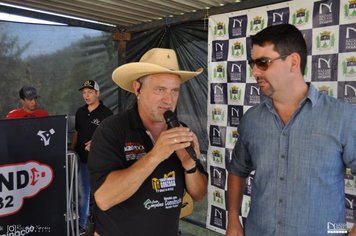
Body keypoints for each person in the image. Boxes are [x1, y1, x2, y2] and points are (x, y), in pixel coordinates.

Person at [226, 24, 356, 236]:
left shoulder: (342, 117)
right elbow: (237, 170)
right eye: (252, 63)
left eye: (263, 63)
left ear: (293, 62)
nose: (254, 71)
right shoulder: (252, 120)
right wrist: (233, 220)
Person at [87, 48, 208, 236]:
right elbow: (104, 198)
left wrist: (189, 165)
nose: (169, 100)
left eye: (174, 91)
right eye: (160, 90)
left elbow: (200, 194)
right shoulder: (111, 130)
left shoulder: (180, 130)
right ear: (138, 88)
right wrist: (155, 155)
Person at [70, 80, 113, 234]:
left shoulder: (106, 113)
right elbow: (77, 132)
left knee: (101, 193)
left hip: (101, 163)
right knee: (83, 193)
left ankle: (104, 225)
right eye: (84, 93)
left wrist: (96, 142)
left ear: (97, 93)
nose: (86, 95)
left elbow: (111, 137)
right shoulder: (80, 112)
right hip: (81, 160)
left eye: (90, 92)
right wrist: (72, 149)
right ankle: (82, 225)